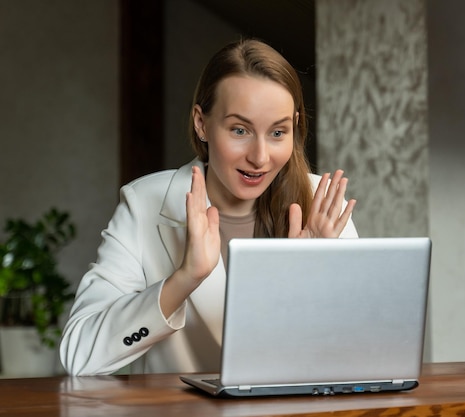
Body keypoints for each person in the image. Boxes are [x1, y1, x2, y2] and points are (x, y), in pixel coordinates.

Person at [59, 39, 358, 376]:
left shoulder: (321, 203)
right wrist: (185, 278)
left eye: (277, 132)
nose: (260, 157)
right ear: (202, 123)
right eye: (240, 130)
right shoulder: (144, 202)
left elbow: (358, 357)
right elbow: (80, 354)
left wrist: (307, 281)